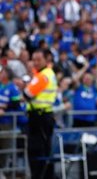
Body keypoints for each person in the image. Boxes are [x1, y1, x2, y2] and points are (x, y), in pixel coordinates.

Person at [23, 49, 58, 179]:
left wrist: (25, 86)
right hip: (43, 116)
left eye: (39, 59)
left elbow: (27, 94)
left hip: (40, 117)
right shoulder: (45, 74)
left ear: (46, 59)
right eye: (34, 59)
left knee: (37, 152)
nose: (36, 62)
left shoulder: (43, 75)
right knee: (44, 151)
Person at [0, 66, 23, 170]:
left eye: (2, 73)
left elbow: (16, 104)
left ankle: (3, 170)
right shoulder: (0, 86)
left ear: (7, 75)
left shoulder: (12, 88)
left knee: (5, 147)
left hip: (7, 122)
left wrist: (4, 107)